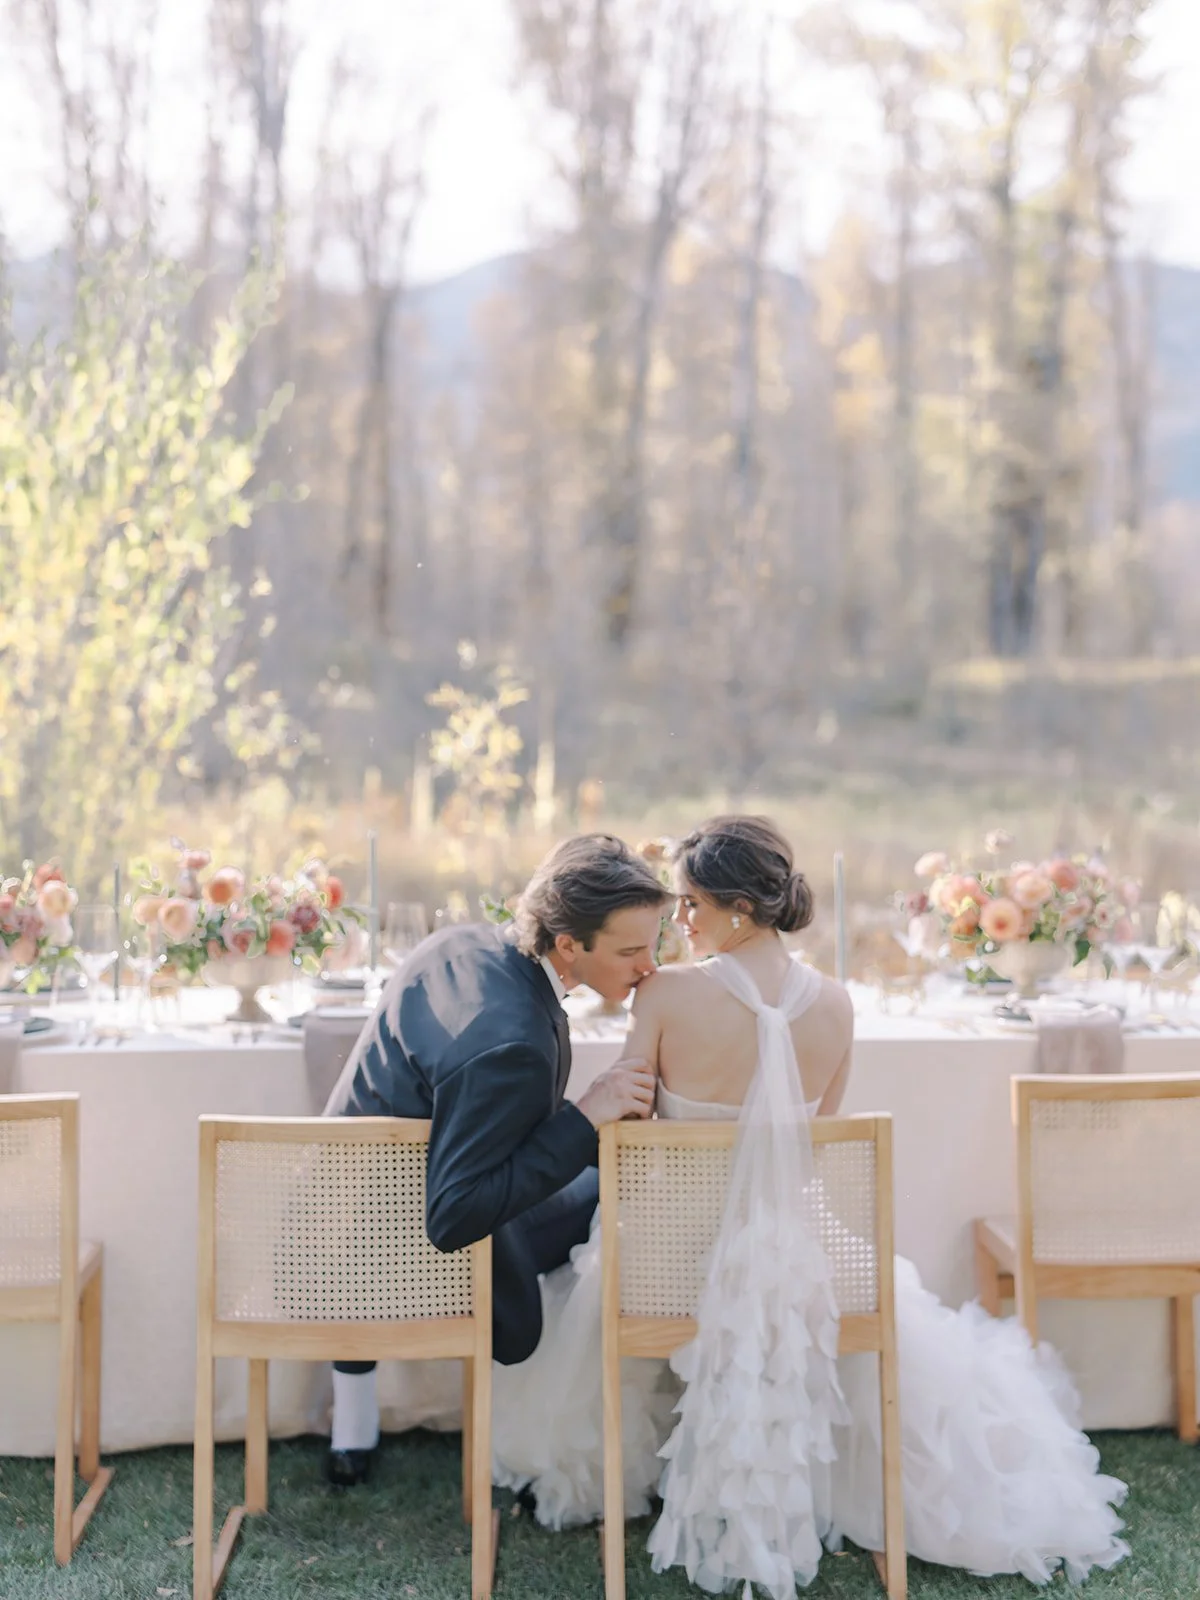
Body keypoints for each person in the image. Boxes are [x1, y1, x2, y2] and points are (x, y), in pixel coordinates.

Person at [491, 816, 1129, 1592]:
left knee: (581, 1263)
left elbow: (627, 1129)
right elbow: (811, 1145)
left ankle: (617, 1476)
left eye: (689, 905)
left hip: (667, 1266)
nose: (677, 925)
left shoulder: (665, 997)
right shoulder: (838, 1005)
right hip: (792, 1262)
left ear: (737, 909)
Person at [322, 833, 669, 1486]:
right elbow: (454, 1216)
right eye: (630, 950)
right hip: (404, 1251)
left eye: (655, 946)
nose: (648, 966)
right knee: (623, 1185)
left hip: (332, 1219)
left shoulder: (462, 942)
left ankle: (353, 1430)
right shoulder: (514, 1044)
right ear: (569, 945)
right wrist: (585, 1117)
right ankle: (564, 1417)